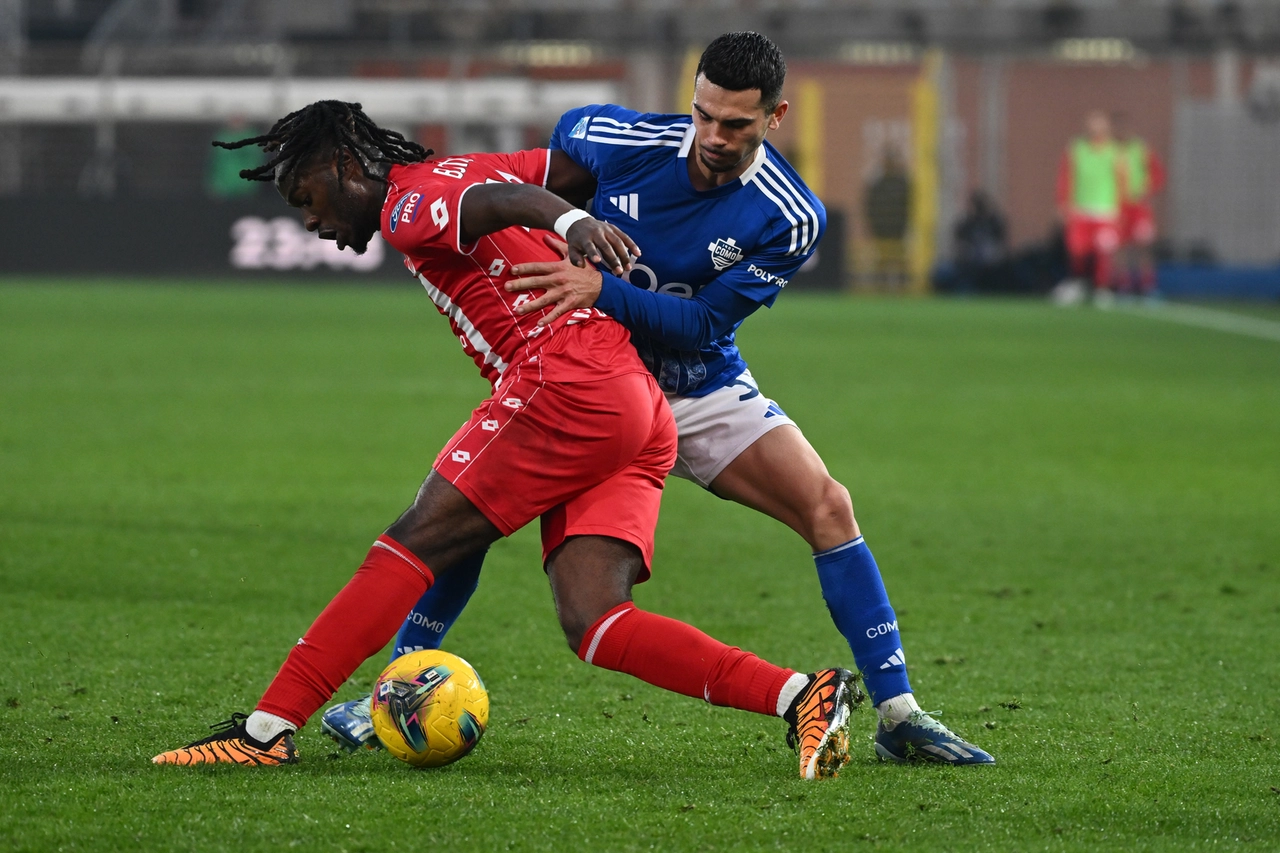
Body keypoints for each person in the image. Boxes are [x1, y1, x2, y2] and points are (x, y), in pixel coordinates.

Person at [325, 32, 994, 766]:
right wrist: (566, 226)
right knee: (468, 519)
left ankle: (898, 711)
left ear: (776, 118)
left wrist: (600, 286)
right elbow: (566, 137)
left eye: (736, 124)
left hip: (696, 384)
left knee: (828, 505)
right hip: (587, 382)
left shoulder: (789, 215)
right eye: (703, 114)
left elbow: (705, 322)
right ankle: (392, 688)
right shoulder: (626, 138)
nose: (712, 136)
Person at [150, 100, 861, 781]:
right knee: (595, 619)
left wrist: (576, 225)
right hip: (636, 403)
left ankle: (266, 731)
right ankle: (802, 694)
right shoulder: (467, 166)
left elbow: (504, 204)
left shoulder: (405, 205)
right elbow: (569, 168)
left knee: (412, 540)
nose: (312, 220)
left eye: (308, 197)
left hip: (566, 383)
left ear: (344, 164)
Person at [1057, 110, 1124, 302]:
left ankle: (1102, 289)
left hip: (1106, 210)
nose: (1096, 128)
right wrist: (1063, 203)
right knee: (1077, 251)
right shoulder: (1076, 149)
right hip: (1081, 209)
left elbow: (1122, 181)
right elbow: (1065, 177)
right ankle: (1077, 283)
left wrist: (1121, 208)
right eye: (1092, 124)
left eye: (1100, 124)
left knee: (1104, 252)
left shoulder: (1115, 151)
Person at [1113, 113, 1165, 297]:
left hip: (1139, 207)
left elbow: (1157, 175)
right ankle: (1124, 285)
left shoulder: (1141, 149)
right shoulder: (1110, 151)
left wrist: (1147, 190)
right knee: (1120, 247)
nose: (1122, 132)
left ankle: (1148, 285)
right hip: (1118, 207)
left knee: (1144, 246)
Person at [864, 145, 912, 290]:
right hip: (881, 229)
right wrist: (873, 225)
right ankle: (881, 288)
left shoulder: (902, 183)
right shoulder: (878, 183)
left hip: (898, 228)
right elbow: (869, 205)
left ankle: (902, 289)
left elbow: (908, 204)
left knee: (900, 260)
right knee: (881, 261)